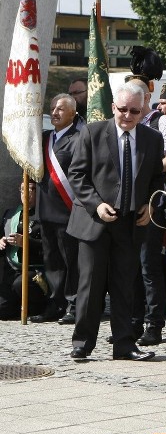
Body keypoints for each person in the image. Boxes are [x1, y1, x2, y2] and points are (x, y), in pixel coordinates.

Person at [67, 81, 164, 362]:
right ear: (113, 107)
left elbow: (157, 178)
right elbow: (77, 175)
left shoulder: (152, 138)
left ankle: (124, 344)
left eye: (135, 111)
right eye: (123, 110)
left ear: (142, 108)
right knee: (91, 285)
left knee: (125, 286)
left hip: (131, 222)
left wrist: (151, 205)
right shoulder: (93, 132)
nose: (128, 116)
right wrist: (96, 206)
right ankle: (82, 343)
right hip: (94, 221)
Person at [132, 79, 166, 346]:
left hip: (152, 199)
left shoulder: (161, 122)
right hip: (125, 202)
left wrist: (145, 172)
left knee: (148, 265)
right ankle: (131, 322)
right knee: (126, 267)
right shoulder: (121, 121)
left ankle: (153, 324)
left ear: (146, 97)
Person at [32, 94, 80, 324]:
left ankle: (74, 303)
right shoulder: (44, 138)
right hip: (45, 208)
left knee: (70, 260)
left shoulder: (79, 138)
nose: (55, 112)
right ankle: (55, 301)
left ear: (73, 112)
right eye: (52, 108)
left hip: (67, 210)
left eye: (60, 109)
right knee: (51, 260)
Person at [0, 183, 45, 320]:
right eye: (23, 189)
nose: (27, 193)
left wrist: (26, 242)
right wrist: (1, 242)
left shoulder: (44, 215)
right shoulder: (10, 214)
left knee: (21, 283)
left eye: (32, 189)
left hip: (36, 272)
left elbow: (50, 248)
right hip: (12, 272)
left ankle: (40, 308)